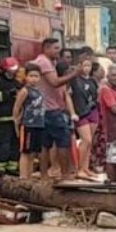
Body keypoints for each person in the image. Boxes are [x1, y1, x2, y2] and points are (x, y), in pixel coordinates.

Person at [29, 37, 76, 180]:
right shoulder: (44, 62)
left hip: (42, 110)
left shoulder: (41, 62)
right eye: (56, 48)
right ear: (46, 48)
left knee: (45, 144)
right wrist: (75, 73)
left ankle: (44, 175)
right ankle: (65, 174)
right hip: (51, 110)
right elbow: (55, 82)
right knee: (62, 141)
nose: (58, 51)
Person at [13, 65, 49, 179]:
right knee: (25, 152)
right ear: (26, 77)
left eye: (36, 76)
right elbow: (17, 107)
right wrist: (16, 123)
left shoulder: (39, 92)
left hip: (39, 124)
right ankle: (23, 176)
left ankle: (29, 174)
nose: (34, 79)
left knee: (34, 152)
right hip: (28, 125)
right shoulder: (25, 91)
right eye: (31, 76)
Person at [70, 57, 101, 180]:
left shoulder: (93, 81)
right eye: (84, 65)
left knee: (90, 142)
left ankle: (86, 167)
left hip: (92, 111)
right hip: (80, 113)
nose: (87, 68)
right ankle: (79, 168)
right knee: (86, 140)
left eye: (89, 65)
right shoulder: (74, 80)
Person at [0, 57, 22, 178]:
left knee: (15, 144)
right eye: (10, 71)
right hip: (2, 119)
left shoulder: (16, 83)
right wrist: (9, 94)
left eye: (14, 71)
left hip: (15, 120)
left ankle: (12, 167)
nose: (12, 73)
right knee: (4, 144)